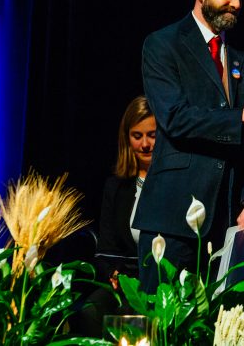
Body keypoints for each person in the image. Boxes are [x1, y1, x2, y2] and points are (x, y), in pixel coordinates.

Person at [132, 0, 244, 292]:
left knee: (224, 329)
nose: (237, 4)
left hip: (231, 219)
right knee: (165, 328)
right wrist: (242, 116)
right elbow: (175, 119)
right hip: (172, 217)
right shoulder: (163, 44)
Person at [72, 95, 155, 336]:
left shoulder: (170, 184)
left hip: (157, 282)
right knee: (89, 311)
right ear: (127, 139)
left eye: (152, 135)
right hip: (123, 280)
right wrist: (112, 273)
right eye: (137, 136)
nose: (145, 144)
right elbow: (105, 246)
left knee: (130, 318)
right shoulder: (116, 186)